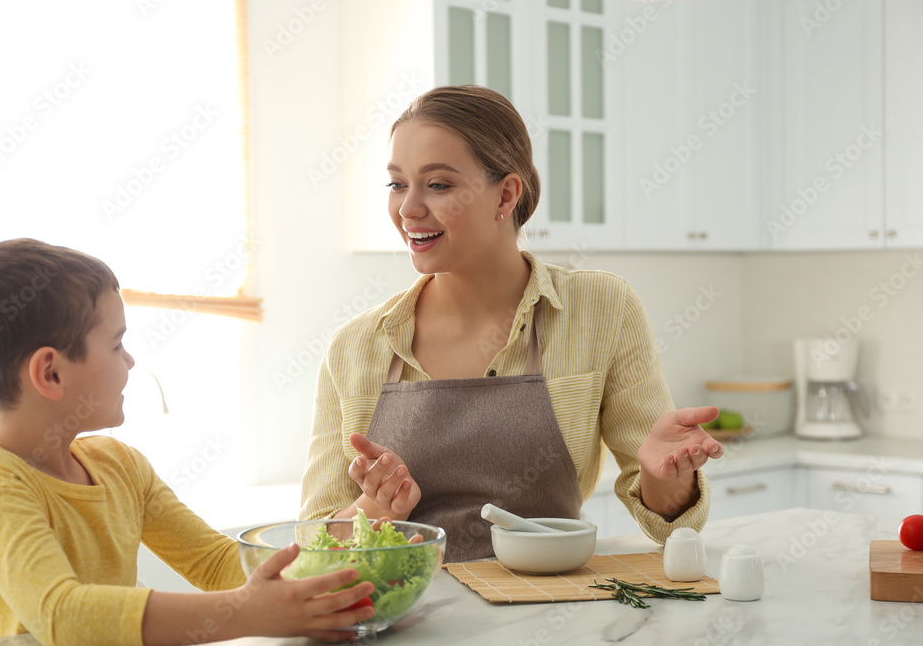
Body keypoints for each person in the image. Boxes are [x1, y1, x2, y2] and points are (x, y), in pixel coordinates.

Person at [300, 86, 724, 563]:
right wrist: (372, 508)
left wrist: (664, 476)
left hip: (551, 611)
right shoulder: (357, 347)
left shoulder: (599, 308)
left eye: (437, 185)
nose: (408, 208)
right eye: (397, 184)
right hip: (413, 622)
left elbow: (673, 527)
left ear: (506, 193)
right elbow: (313, 547)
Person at [0, 239, 375, 646]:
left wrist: (367, 511)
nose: (130, 360)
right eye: (116, 344)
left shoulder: (119, 465)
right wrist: (247, 613)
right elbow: (64, 615)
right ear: (51, 374)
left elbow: (219, 564)